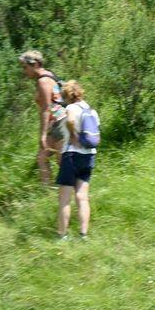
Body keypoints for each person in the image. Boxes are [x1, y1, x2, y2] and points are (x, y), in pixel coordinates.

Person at [54, 80, 97, 240]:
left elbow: (71, 121)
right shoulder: (90, 109)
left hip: (71, 155)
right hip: (89, 155)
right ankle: (83, 234)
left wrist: (73, 135)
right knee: (82, 196)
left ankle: (62, 235)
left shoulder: (71, 108)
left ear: (66, 96)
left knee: (65, 198)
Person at [19, 50, 64, 183]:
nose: (24, 71)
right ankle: (47, 192)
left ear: (35, 65)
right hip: (57, 122)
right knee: (42, 157)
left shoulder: (43, 81)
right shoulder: (49, 75)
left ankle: (71, 191)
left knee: (62, 161)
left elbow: (46, 108)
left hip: (60, 122)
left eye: (25, 67)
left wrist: (43, 135)